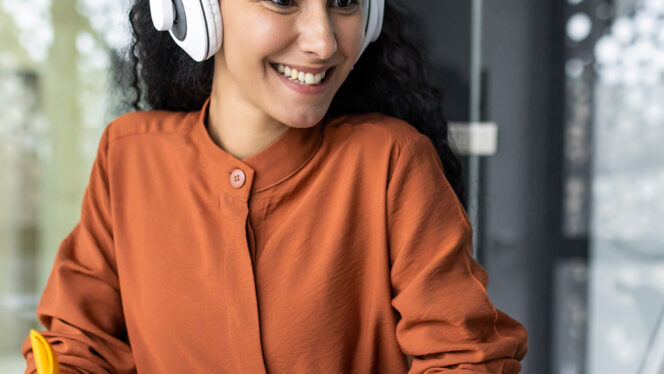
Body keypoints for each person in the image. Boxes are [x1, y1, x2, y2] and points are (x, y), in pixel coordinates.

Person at [21, 0, 528, 372]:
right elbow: (78, 345)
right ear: (196, 13)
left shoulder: (391, 163)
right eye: (283, 0)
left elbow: (464, 358)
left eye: (346, 3)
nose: (325, 40)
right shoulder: (128, 158)